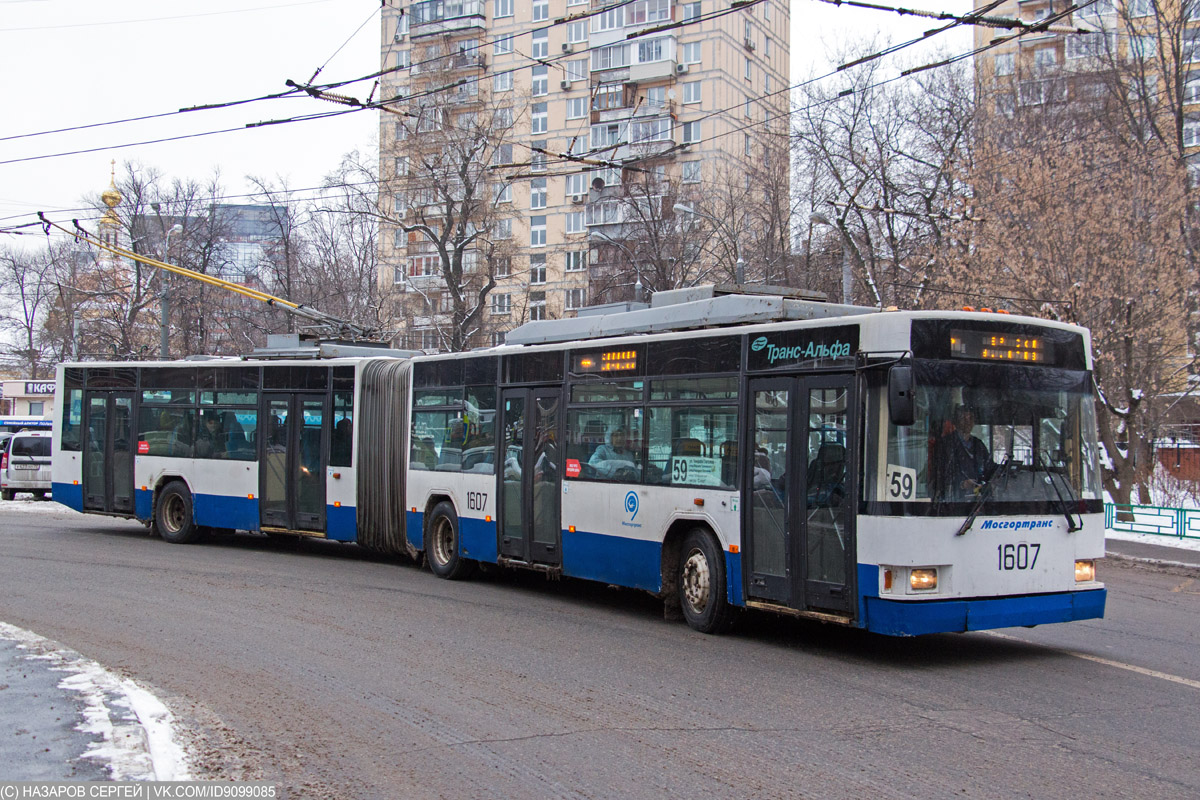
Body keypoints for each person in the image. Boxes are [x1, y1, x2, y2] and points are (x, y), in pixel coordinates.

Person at [937, 405, 995, 500]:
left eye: (971, 418)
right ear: (955, 422)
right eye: (964, 418)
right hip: (954, 501)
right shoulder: (946, 444)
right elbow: (941, 474)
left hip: (978, 501)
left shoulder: (978, 444)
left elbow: (989, 467)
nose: (968, 422)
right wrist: (962, 484)